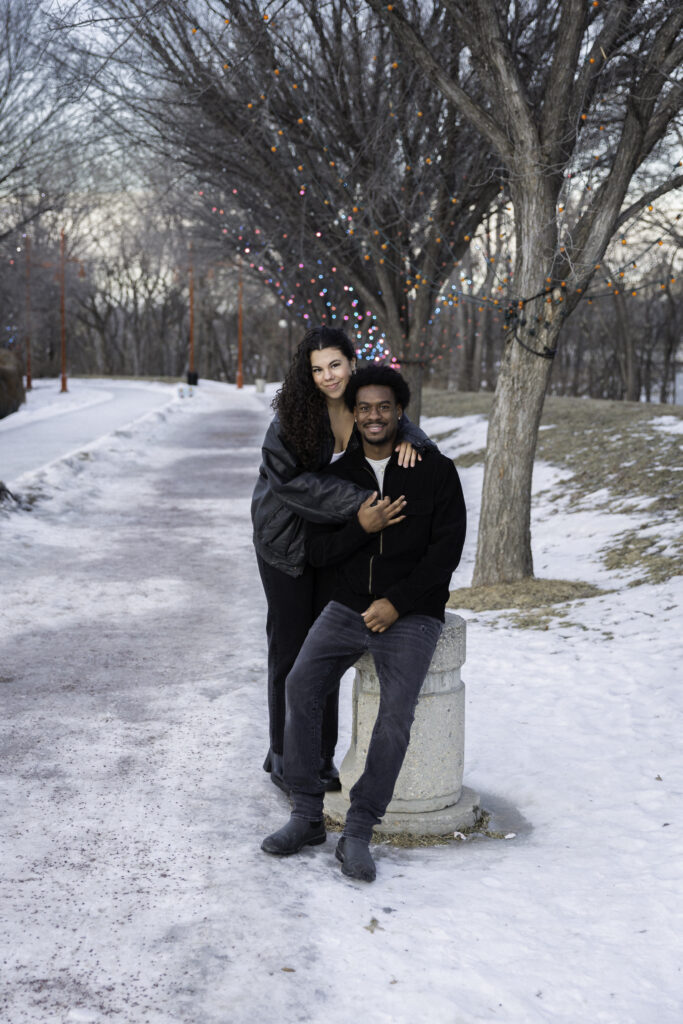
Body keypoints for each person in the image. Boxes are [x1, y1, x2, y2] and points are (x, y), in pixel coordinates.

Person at [260, 365, 466, 882]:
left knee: (396, 715)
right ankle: (306, 814)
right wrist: (360, 524)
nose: (375, 416)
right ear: (353, 414)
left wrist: (396, 603)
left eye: (385, 407)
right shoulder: (338, 479)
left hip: (411, 614)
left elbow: (445, 554)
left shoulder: (434, 471)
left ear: (399, 412)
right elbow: (319, 549)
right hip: (349, 606)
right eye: (365, 408)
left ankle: (358, 830)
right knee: (301, 683)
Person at [251, 326, 435, 794]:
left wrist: (415, 440)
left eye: (334, 365)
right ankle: (284, 756)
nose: (327, 376)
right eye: (316, 369)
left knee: (323, 650)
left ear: (351, 363)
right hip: (286, 542)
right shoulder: (291, 419)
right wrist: (361, 500)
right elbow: (292, 485)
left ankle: (319, 758)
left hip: (336, 541)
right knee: (290, 648)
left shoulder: (363, 405)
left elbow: (399, 425)